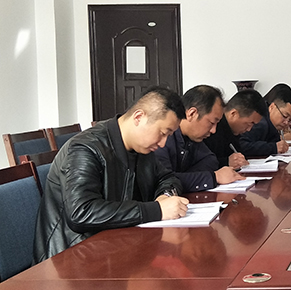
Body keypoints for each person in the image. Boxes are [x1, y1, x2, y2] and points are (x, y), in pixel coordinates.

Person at [34, 86, 190, 262]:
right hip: (71, 258)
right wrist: (156, 210)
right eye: (162, 133)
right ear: (139, 117)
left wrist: (165, 196)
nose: (163, 143)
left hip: (116, 246)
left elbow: (168, 178)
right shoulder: (86, 148)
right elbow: (81, 213)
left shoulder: (142, 148)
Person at [155, 85, 244, 192]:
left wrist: (186, 177)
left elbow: (211, 161)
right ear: (192, 114)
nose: (213, 130)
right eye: (212, 123)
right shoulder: (162, 138)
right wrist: (214, 177)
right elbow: (165, 181)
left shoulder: (192, 138)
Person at [203, 88, 266, 169]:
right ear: (233, 114)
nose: (249, 129)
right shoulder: (211, 129)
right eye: (249, 123)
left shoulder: (233, 131)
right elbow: (201, 164)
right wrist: (226, 162)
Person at [239, 85, 291, 157]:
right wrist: (273, 147)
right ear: (272, 107)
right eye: (285, 116)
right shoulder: (259, 121)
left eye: (290, 120)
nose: (286, 123)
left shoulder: (272, 125)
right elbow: (242, 146)